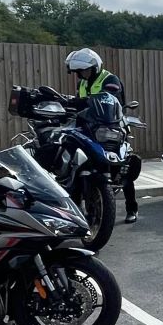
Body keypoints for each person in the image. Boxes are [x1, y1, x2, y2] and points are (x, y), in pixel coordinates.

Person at [63, 48, 140, 224]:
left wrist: (78, 102)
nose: (81, 74)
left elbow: (109, 99)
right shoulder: (82, 83)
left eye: (84, 70)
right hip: (89, 128)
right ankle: (75, 208)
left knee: (122, 168)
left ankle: (132, 208)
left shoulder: (110, 80)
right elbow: (79, 104)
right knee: (77, 164)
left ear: (95, 67)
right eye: (79, 71)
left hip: (111, 128)